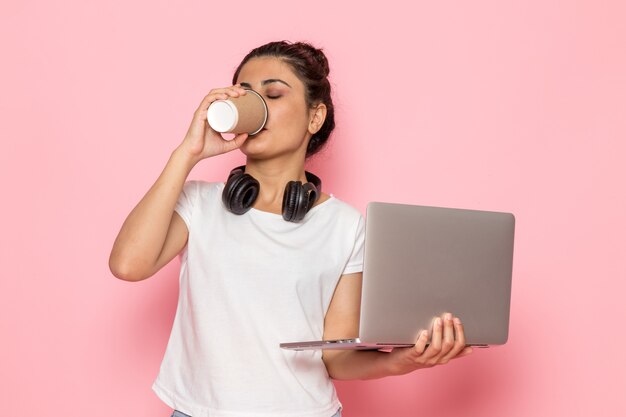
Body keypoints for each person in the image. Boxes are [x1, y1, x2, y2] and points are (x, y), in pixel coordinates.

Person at [109, 40, 473, 417]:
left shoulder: (345, 226)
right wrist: (188, 153)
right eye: (246, 96)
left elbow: (336, 359)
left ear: (314, 117)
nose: (257, 107)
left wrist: (407, 359)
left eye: (274, 94)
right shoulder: (199, 203)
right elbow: (128, 265)